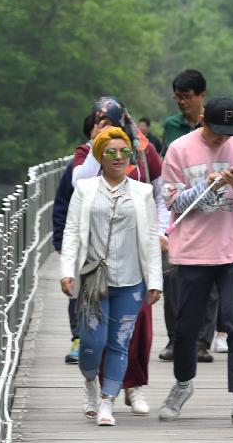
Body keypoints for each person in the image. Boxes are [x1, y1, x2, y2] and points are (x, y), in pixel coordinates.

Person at [158, 97, 233, 426]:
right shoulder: (179, 149)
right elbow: (173, 201)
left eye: (228, 133)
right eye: (217, 131)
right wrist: (205, 187)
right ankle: (182, 384)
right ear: (202, 120)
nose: (223, 139)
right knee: (186, 327)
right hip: (192, 253)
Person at [71, 97, 170, 416]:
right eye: (100, 120)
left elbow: (161, 194)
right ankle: (98, 387)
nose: (107, 125)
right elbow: (78, 184)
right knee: (96, 334)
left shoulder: (142, 151)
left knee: (137, 326)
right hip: (96, 262)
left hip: (135, 254)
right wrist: (95, 141)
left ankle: (132, 386)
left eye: (111, 120)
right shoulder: (88, 154)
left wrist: (161, 231)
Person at [159, 69, 221, 363]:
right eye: (178, 97)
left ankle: (201, 342)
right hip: (178, 207)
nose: (181, 102)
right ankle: (175, 339)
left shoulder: (216, 122)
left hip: (211, 210)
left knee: (209, 279)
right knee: (173, 278)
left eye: (186, 97)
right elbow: (164, 166)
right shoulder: (171, 126)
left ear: (201, 96)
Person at [53, 114, 101, 364]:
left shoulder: (125, 157)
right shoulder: (80, 160)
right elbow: (62, 202)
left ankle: (102, 340)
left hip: (114, 242)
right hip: (81, 239)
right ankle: (78, 338)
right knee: (78, 293)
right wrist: (60, 241)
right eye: (99, 125)